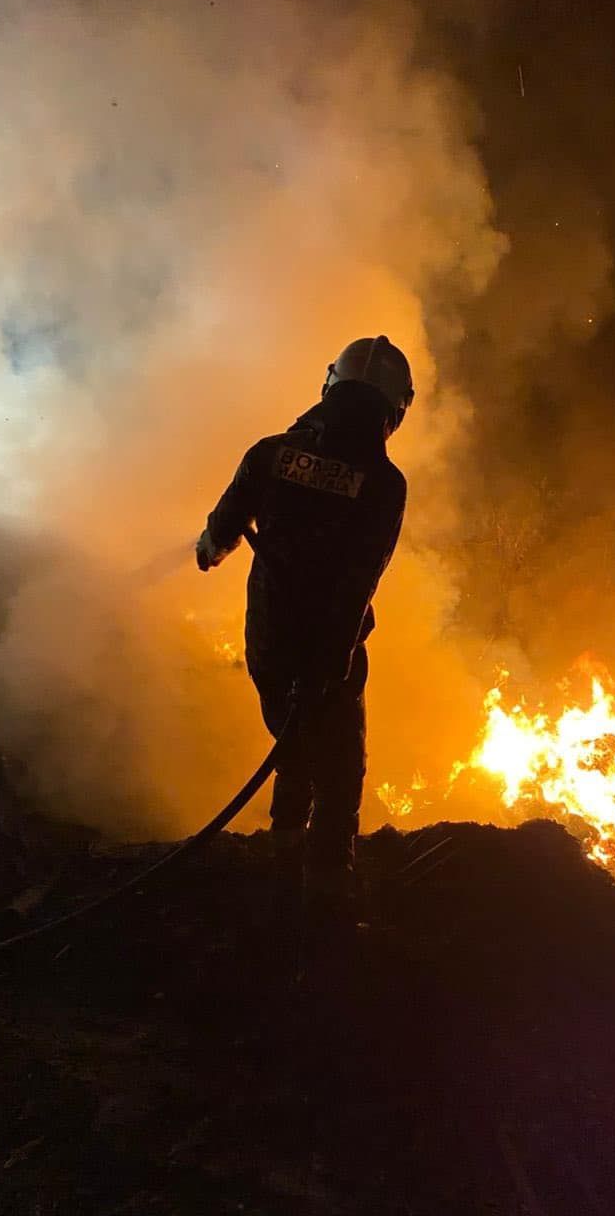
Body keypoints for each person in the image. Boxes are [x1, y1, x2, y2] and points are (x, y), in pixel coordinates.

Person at [195, 336, 412, 894]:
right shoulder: (384, 484)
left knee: (291, 743)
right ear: (395, 410)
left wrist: (208, 549)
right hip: (330, 651)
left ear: (329, 387)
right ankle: (324, 897)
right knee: (339, 775)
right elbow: (361, 578)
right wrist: (329, 665)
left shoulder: (269, 454)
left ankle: (283, 852)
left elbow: (217, 536)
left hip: (268, 641)